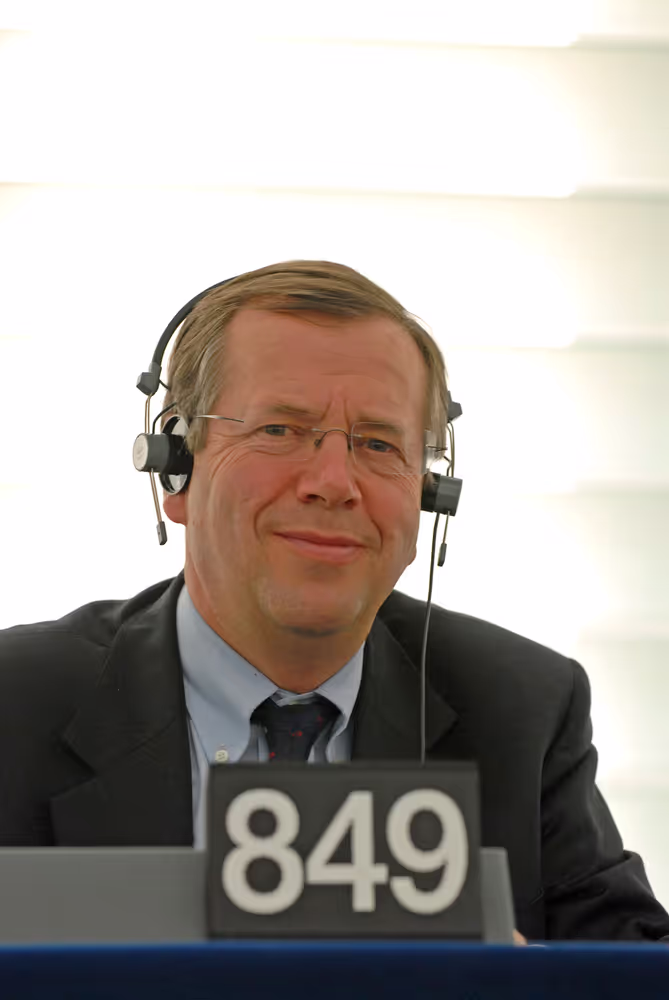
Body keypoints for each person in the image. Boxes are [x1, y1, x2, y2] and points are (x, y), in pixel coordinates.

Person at [0, 260, 667, 943]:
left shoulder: (521, 709)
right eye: (279, 430)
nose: (331, 482)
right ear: (177, 469)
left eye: (378, 444)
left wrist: (531, 986)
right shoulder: (14, 703)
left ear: (428, 495)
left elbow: (632, 966)